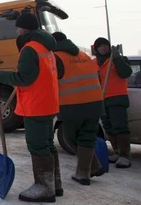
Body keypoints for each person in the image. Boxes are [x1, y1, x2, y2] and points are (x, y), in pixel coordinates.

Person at [0, 12, 61, 202]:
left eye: (18, 27)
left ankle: (44, 188)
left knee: (38, 146)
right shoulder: (46, 47)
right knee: (47, 145)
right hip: (48, 103)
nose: (17, 31)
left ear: (25, 28)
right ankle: (55, 184)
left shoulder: (30, 49)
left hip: (36, 105)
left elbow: (24, 78)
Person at [52, 32, 105, 185]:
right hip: (95, 103)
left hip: (72, 105)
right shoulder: (84, 55)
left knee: (70, 138)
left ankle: (90, 168)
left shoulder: (56, 58)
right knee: (87, 137)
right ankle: (86, 172)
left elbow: (51, 81)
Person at [92, 37, 133, 168]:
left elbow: (126, 73)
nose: (103, 48)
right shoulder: (94, 63)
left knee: (120, 126)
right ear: (96, 48)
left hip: (117, 98)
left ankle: (125, 156)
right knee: (108, 127)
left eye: (105, 45)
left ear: (109, 47)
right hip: (101, 99)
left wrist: (117, 58)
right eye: (100, 46)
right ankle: (116, 152)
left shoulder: (117, 60)